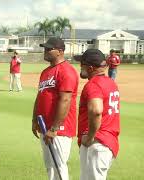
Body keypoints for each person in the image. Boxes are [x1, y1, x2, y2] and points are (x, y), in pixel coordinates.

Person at [32, 37, 79, 180]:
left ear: (60, 51)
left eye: (48, 49)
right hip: (45, 127)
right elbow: (40, 97)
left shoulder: (66, 71)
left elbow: (65, 100)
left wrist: (54, 128)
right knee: (50, 167)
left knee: (58, 167)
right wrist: (35, 120)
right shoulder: (46, 71)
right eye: (44, 48)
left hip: (59, 130)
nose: (45, 51)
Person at [74, 49, 120, 180]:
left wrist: (89, 137)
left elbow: (96, 111)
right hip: (107, 142)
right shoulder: (111, 83)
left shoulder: (93, 85)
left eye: (81, 64)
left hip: (97, 143)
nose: (80, 67)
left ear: (89, 68)